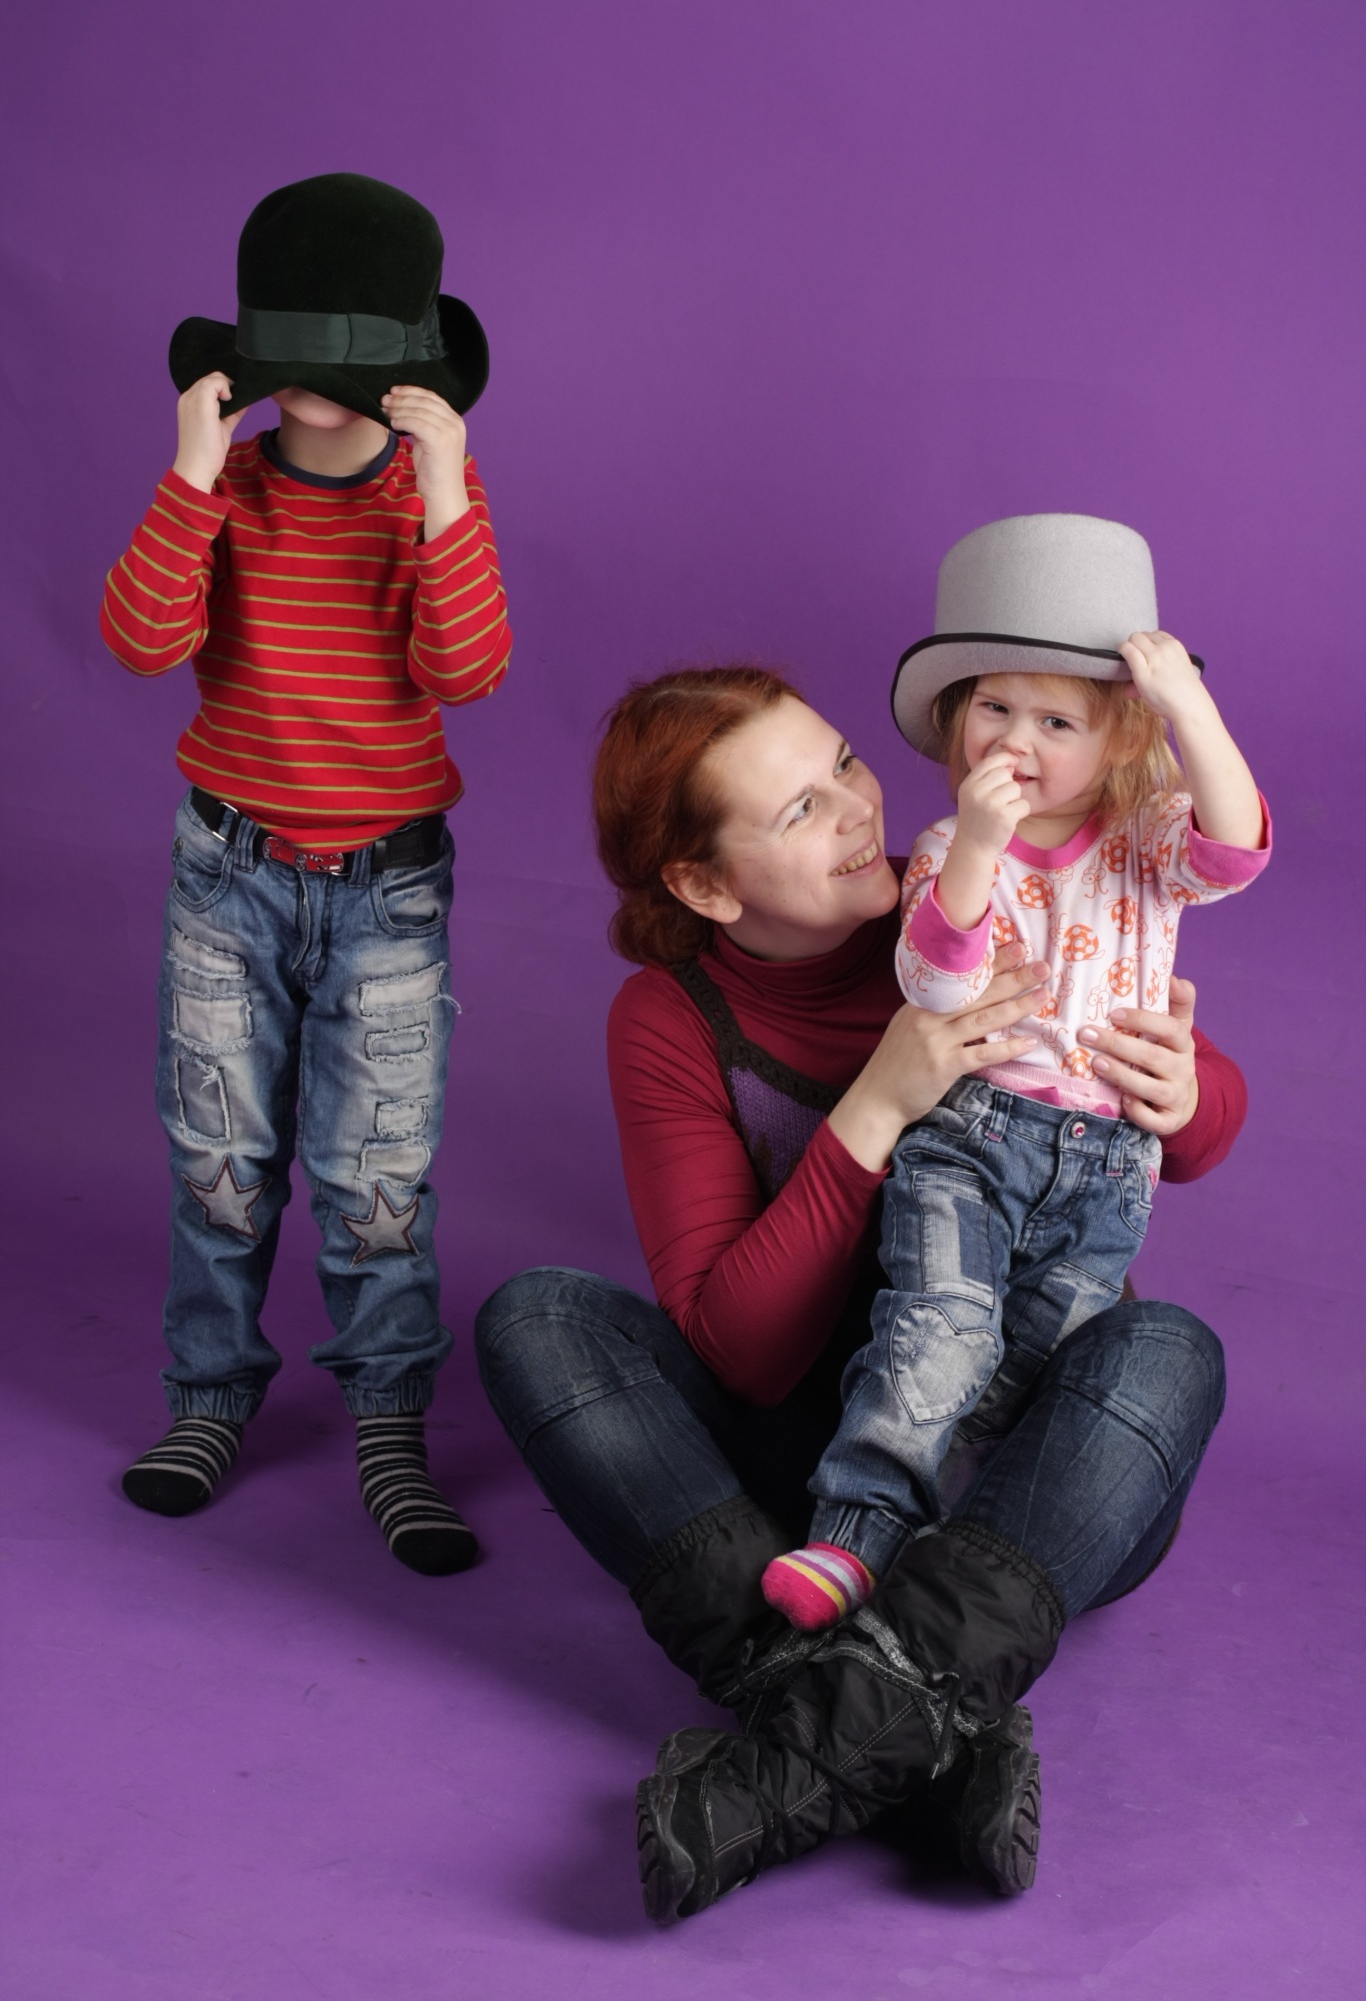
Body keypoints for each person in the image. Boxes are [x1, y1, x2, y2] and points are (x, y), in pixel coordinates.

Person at [474, 665, 1240, 1920]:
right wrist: (879, 1101)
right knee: (538, 1318)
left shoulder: (973, 892)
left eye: (841, 762)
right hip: (804, 1477)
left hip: (1017, 1481)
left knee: (1168, 1350)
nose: (856, 807)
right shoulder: (671, 1017)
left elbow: (1195, 1120)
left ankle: (809, 1731)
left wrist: (1189, 1090)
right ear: (705, 884)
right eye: (800, 809)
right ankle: (915, 1719)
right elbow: (741, 1349)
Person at [100, 173, 512, 1575]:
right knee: (219, 1163)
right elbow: (141, 642)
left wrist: (445, 489)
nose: (312, 389)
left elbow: (468, 668)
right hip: (228, 876)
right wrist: (191, 471)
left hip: (387, 894)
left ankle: (388, 1419)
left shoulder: (428, 500)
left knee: (373, 1175)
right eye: (285, 359)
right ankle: (209, 1395)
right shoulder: (227, 491)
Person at [762, 515, 1270, 1631]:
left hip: (1107, 1167)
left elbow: (1236, 849)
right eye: (994, 707)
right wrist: (984, 847)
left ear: (1120, 739)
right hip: (975, 1137)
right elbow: (934, 985)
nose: (1017, 740)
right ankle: (850, 1533)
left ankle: (939, 1546)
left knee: (1028, 1369)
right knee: (936, 1327)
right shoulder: (953, 848)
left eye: (1057, 720)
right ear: (957, 718)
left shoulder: (1148, 839)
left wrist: (1188, 706)